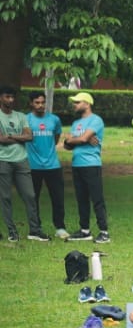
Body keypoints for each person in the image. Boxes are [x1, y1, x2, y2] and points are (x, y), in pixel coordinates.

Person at [62, 91, 108, 243]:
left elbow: (81, 139)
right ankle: (84, 231)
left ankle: (104, 232)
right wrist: (75, 140)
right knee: (81, 199)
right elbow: (67, 145)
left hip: (91, 165)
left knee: (97, 199)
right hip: (77, 164)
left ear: (87, 104)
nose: (74, 105)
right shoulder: (76, 123)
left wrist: (74, 139)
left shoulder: (96, 120)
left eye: (77, 102)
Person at [0, 85, 43, 242]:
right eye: (7, 97)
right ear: (1, 98)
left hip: (21, 160)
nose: (10, 100)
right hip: (3, 161)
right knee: (5, 197)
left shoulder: (21, 116)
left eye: (12, 97)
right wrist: (19, 137)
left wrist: (10, 136)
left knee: (30, 195)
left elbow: (29, 137)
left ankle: (35, 231)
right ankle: (12, 231)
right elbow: (1, 139)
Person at [25, 92, 67, 239]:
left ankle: (60, 227)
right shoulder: (26, 120)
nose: (40, 105)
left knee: (58, 198)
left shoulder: (54, 119)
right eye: (37, 102)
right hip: (33, 166)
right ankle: (36, 228)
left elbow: (56, 139)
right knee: (33, 199)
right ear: (31, 103)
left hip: (53, 166)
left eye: (43, 102)